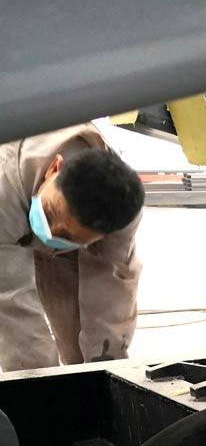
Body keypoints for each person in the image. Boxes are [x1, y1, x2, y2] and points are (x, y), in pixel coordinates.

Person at [0, 124, 145, 371]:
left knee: (82, 341)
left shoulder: (121, 211)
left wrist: (104, 367)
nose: (49, 233)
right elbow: (11, 301)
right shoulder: (5, 186)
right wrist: (39, 380)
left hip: (68, 236)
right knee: (27, 352)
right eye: (50, 212)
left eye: (66, 236)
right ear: (55, 168)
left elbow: (112, 284)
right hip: (8, 210)